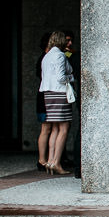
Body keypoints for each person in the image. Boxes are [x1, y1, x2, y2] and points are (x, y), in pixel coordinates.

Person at [39, 30, 74, 175]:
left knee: (54, 128)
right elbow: (61, 77)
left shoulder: (47, 56)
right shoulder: (60, 55)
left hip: (48, 94)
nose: (69, 43)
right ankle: (56, 162)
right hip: (59, 93)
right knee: (64, 129)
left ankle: (50, 161)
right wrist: (72, 77)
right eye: (66, 41)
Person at [35, 32, 52, 171]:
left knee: (48, 129)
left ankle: (44, 159)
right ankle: (42, 160)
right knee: (46, 129)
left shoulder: (44, 58)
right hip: (44, 97)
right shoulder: (45, 58)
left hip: (43, 96)